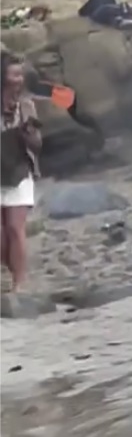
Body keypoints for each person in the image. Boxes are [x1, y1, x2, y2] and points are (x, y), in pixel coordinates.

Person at [1, 53, 40, 294]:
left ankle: (19, 284)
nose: (19, 79)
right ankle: (10, 266)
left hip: (18, 171)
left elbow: (38, 146)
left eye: (21, 74)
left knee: (16, 229)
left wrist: (30, 135)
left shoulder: (26, 105)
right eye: (14, 74)